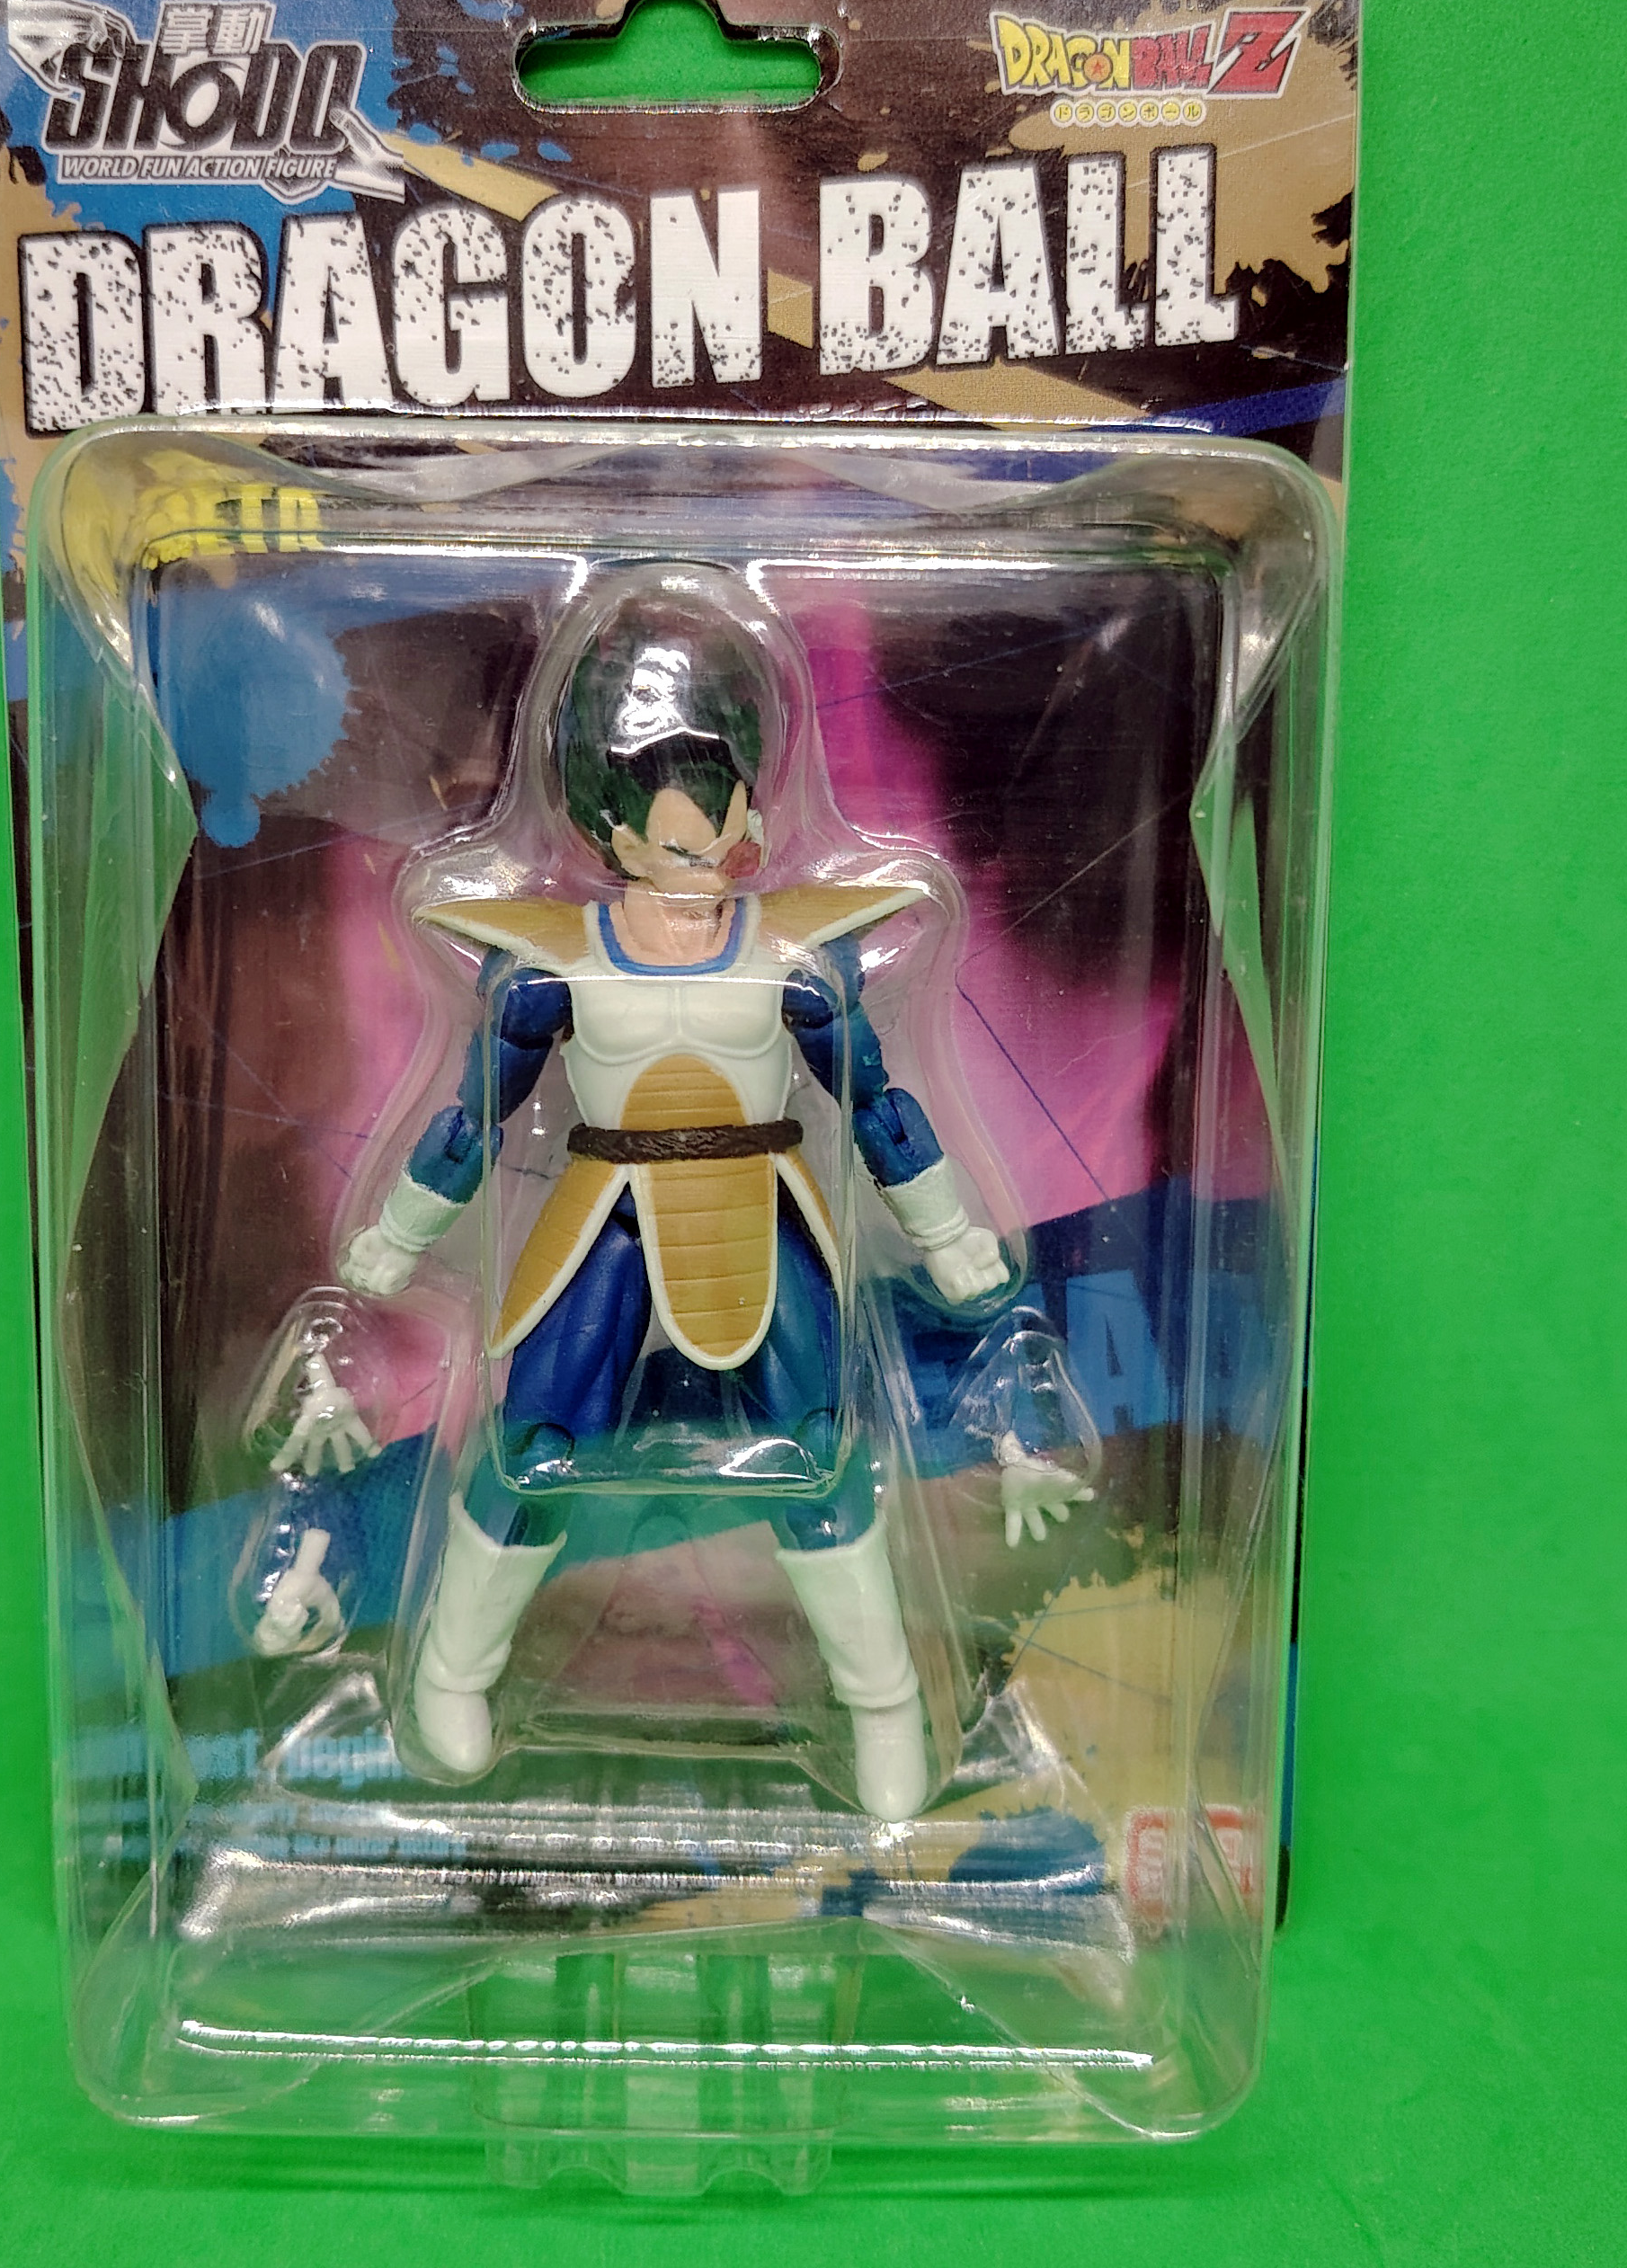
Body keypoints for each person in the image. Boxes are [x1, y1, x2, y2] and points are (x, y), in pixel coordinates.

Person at [295, 571, 1064, 1820]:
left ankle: (882, 1706)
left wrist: (948, 1234)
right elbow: (473, 1117)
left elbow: (874, 1105)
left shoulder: (798, 953)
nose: (706, 852)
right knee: (537, 1440)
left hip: (762, 1206)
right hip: (602, 1217)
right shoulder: (549, 963)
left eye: (722, 818)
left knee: (814, 1446)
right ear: (607, 831)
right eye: (674, 834)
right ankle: (451, 1673)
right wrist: (398, 1234)